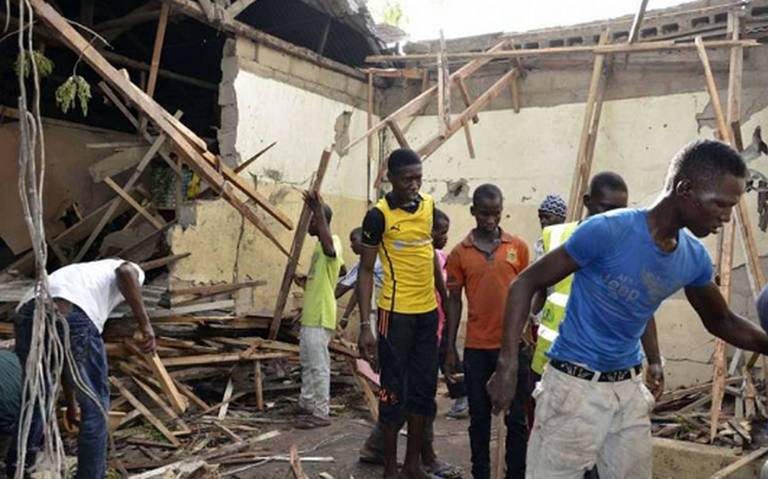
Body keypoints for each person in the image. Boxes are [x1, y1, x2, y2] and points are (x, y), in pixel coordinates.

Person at [488, 139, 768, 479]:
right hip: (572, 390)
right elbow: (524, 284)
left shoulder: (693, 258)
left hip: (628, 391)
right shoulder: (608, 231)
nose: (726, 217)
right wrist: (507, 366)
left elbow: (721, 320)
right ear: (685, 189)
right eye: (721, 205)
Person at [529, 172, 662, 479]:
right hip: (553, 365)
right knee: (555, 453)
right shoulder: (556, 237)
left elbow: (641, 308)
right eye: (605, 208)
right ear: (587, 203)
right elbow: (532, 285)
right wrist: (525, 325)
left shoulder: (627, 249)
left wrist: (655, 359)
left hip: (606, 373)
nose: (612, 217)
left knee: (599, 462)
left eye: (620, 210)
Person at [7, 259, 155, 478]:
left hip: (28, 313)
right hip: (71, 312)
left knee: (38, 395)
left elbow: (65, 364)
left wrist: (71, 402)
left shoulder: (83, 273)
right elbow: (125, 272)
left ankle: (17, 467)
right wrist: (145, 325)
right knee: (95, 403)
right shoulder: (131, 268)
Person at [357, 148, 448, 479]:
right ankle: (390, 469)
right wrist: (365, 325)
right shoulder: (377, 216)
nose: (414, 184)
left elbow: (429, 254)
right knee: (393, 391)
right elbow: (366, 270)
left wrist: (444, 297)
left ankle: (413, 465)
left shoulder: (428, 207)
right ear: (389, 178)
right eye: (407, 178)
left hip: (426, 315)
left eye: (418, 178)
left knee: (424, 391)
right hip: (394, 316)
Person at [443, 184, 531, 479]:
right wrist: (449, 346)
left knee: (517, 419)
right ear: (473, 212)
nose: (490, 220)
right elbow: (454, 301)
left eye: (495, 214)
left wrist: (527, 332)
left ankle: (515, 473)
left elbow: (529, 293)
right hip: (477, 348)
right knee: (479, 419)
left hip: (513, 347)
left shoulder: (517, 248)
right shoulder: (459, 254)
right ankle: (480, 472)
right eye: (484, 214)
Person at [296, 191, 344, 429]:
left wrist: (317, 209)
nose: (308, 224)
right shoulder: (317, 249)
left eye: (312, 220)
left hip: (320, 316)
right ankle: (307, 403)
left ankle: (321, 411)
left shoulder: (331, 241)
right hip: (310, 317)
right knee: (307, 362)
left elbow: (331, 251)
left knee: (318, 365)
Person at [433, 209, 469, 420]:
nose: (445, 237)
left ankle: (461, 398)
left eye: (447, 232)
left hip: (443, 316)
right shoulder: (427, 255)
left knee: (450, 356)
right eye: (441, 232)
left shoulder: (441, 257)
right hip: (430, 316)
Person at [335, 227, 384, 331]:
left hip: (377, 312)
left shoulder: (366, 263)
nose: (351, 245)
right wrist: (346, 316)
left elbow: (339, 290)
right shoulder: (381, 257)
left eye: (354, 240)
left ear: (364, 240)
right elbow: (358, 288)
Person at [533, 194, 567, 261]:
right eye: (541, 217)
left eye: (547, 217)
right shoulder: (540, 244)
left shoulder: (568, 243)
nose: (542, 221)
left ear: (562, 219)